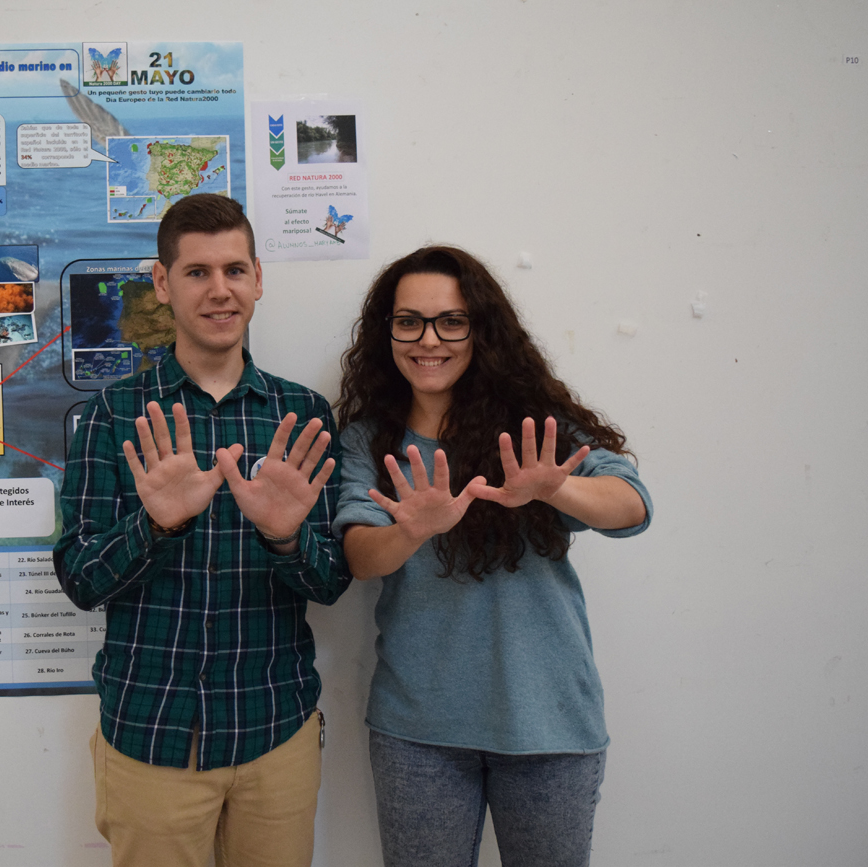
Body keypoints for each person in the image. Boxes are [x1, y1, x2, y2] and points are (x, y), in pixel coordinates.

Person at [54, 194, 351, 867]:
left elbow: (332, 580)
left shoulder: (301, 414)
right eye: (196, 273)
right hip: (151, 734)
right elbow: (79, 577)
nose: (220, 290)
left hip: (274, 732)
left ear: (258, 279)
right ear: (161, 283)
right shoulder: (115, 413)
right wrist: (156, 525)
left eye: (235, 270)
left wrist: (285, 537)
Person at [332, 246, 652, 867]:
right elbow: (361, 557)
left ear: (482, 330)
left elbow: (632, 505)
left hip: (548, 722)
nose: (430, 340)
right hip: (418, 730)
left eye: (452, 321)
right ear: (387, 332)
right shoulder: (370, 439)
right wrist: (413, 530)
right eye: (409, 322)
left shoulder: (534, 429)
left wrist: (556, 487)